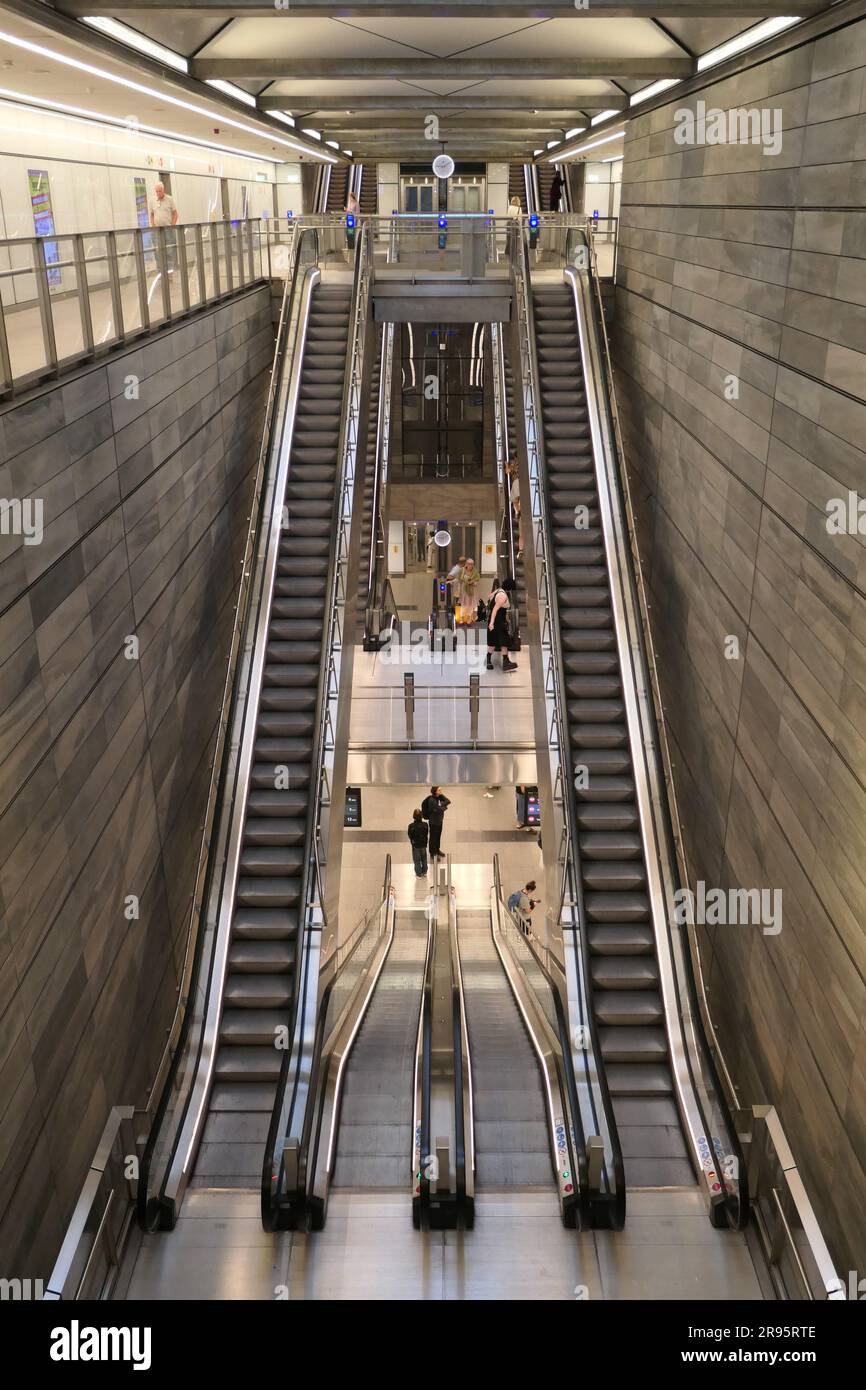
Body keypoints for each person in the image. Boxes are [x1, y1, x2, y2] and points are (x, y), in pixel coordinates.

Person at [487, 577, 518, 673]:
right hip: (497, 620)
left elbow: (489, 596)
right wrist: (492, 623)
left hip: (498, 619)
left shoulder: (498, 590)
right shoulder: (503, 596)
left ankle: (504, 661)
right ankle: (496, 660)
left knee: (499, 640)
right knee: (499, 640)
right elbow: (495, 609)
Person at [150, 182, 179, 273]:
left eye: (160, 191)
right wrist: (153, 226)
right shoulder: (152, 201)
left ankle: (169, 273)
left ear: (163, 190)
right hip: (157, 231)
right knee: (158, 252)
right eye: (156, 191)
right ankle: (160, 272)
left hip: (168, 230)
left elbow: (175, 214)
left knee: (169, 251)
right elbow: (151, 214)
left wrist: (172, 225)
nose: (158, 193)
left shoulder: (169, 199)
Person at [421, 786, 451, 859]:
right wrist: (444, 806)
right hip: (434, 822)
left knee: (438, 837)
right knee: (433, 838)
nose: (441, 791)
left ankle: (437, 850)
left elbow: (448, 801)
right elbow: (440, 810)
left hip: (439, 820)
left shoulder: (439, 796)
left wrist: (441, 805)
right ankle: (432, 853)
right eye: (439, 790)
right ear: (435, 791)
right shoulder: (431, 800)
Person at [408, 809, 429, 878]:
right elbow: (426, 833)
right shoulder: (425, 825)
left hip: (416, 845)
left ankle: (418, 874)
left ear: (413, 816)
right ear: (421, 816)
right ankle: (424, 872)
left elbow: (410, 836)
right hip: (423, 844)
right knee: (424, 858)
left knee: (417, 860)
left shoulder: (411, 826)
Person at [459, 558, 480, 623]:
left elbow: (477, 582)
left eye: (472, 564)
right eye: (469, 564)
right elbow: (459, 579)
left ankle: (469, 618)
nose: (470, 565)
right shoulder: (462, 571)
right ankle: (461, 618)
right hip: (463, 591)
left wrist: (472, 583)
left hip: (471, 591)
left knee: (470, 605)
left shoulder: (475, 572)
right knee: (463, 605)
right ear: (466, 564)